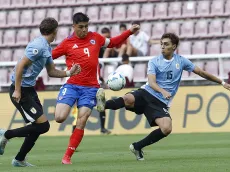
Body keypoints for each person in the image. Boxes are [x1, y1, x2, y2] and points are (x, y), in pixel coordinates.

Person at [103, 33, 230, 160]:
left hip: (160, 102)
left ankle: (137, 146)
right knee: (128, 99)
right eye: (161, 44)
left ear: (174, 46)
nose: (163, 47)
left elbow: (201, 72)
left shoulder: (181, 61)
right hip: (146, 93)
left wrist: (222, 82)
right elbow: (152, 82)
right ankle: (102, 105)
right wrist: (162, 90)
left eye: (166, 44)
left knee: (166, 128)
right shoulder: (154, 61)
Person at [52, 12, 140, 164]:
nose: (84, 30)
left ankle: (67, 157)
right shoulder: (67, 43)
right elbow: (49, 57)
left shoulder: (95, 37)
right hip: (72, 85)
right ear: (74, 26)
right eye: (81, 27)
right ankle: (99, 104)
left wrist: (129, 32)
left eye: (86, 26)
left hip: (91, 88)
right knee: (59, 117)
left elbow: (113, 42)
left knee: (82, 119)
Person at [0, 17, 81, 167]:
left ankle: (19, 159)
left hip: (29, 89)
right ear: (55, 31)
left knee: (37, 127)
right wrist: (17, 90)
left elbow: (51, 71)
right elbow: (20, 66)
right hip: (21, 90)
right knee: (43, 126)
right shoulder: (39, 46)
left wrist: (69, 73)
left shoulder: (46, 47)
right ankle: (6, 134)